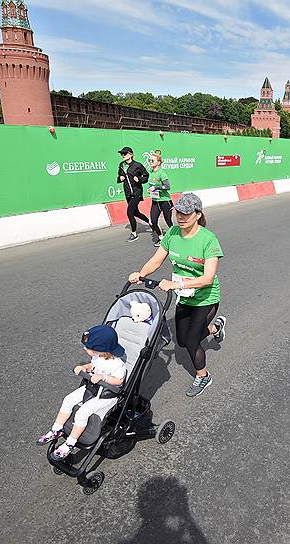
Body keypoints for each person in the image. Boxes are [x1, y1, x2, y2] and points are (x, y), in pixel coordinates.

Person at [128, 193, 226, 397]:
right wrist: (141, 274)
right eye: (178, 212)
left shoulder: (208, 240)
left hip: (205, 298)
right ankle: (215, 328)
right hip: (184, 296)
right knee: (182, 340)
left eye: (186, 213)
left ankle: (203, 375)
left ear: (198, 214)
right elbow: (156, 260)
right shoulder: (172, 234)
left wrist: (176, 283)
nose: (180, 217)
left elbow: (208, 278)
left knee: (191, 341)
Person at [37, 324, 132, 459]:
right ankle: (56, 429)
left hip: (106, 395)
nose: (84, 349)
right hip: (92, 388)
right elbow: (92, 365)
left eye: (88, 348)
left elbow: (119, 381)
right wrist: (84, 367)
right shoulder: (97, 357)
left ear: (101, 349)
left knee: (82, 413)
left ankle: (70, 443)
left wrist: (103, 377)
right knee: (68, 400)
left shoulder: (117, 364)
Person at [117, 147, 150, 242]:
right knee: (136, 212)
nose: (123, 155)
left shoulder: (137, 165)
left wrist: (139, 179)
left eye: (125, 153)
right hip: (128, 193)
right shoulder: (121, 165)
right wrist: (121, 178)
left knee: (129, 212)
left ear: (131, 154)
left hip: (137, 192)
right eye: (122, 154)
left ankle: (134, 233)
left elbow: (146, 176)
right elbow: (119, 178)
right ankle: (149, 222)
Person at [147, 153, 174, 247]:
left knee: (168, 221)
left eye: (152, 160)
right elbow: (151, 184)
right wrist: (150, 189)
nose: (150, 162)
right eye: (149, 160)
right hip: (155, 201)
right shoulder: (150, 172)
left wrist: (156, 187)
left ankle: (175, 236)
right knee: (153, 222)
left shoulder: (162, 173)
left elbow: (167, 186)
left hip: (165, 201)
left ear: (158, 162)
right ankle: (161, 238)